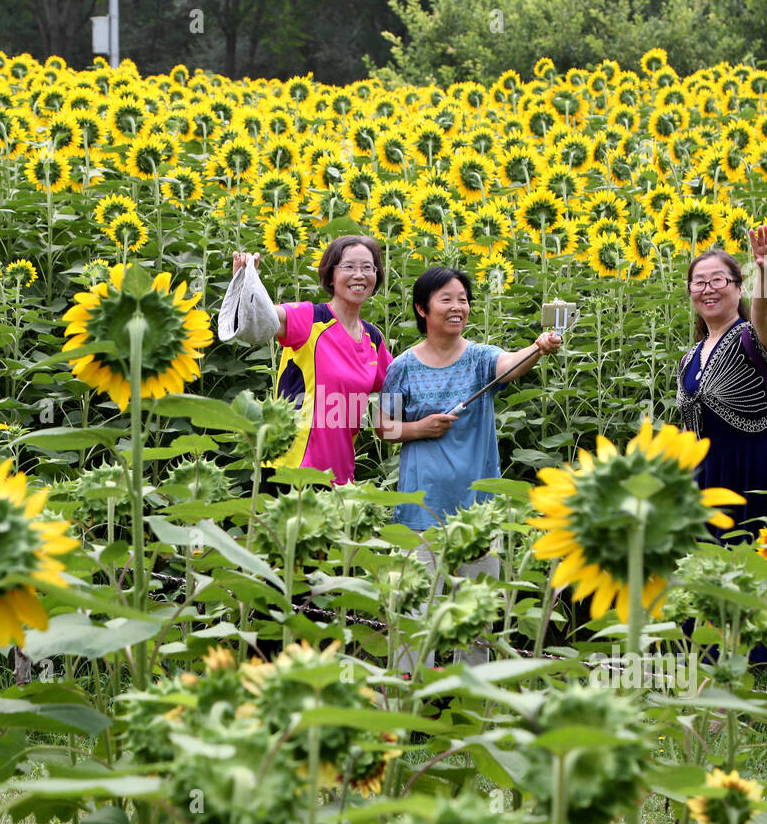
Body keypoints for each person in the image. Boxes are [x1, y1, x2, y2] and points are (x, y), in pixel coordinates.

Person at [380, 267, 560, 670]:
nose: (457, 306)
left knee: (477, 618)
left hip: (477, 511)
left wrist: (536, 347)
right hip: (421, 509)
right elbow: (385, 427)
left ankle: (471, 706)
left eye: (462, 298)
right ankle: (405, 705)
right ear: (422, 309)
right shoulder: (402, 367)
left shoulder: (480, 358)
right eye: (446, 299)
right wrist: (419, 428)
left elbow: (510, 365)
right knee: (411, 613)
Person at [675, 228, 767, 695]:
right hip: (710, 480)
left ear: (737, 287)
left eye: (719, 280)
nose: (708, 288)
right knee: (716, 581)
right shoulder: (690, 356)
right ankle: (722, 695)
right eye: (699, 281)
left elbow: (765, 311)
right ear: (691, 292)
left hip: (762, 476)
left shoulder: (750, 337)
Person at [231, 236, 392, 485]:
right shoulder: (310, 318)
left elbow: (400, 380)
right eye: (349, 267)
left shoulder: (373, 338)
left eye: (368, 267)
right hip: (292, 471)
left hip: (339, 477)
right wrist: (245, 287)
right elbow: (263, 318)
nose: (359, 275)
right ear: (330, 276)